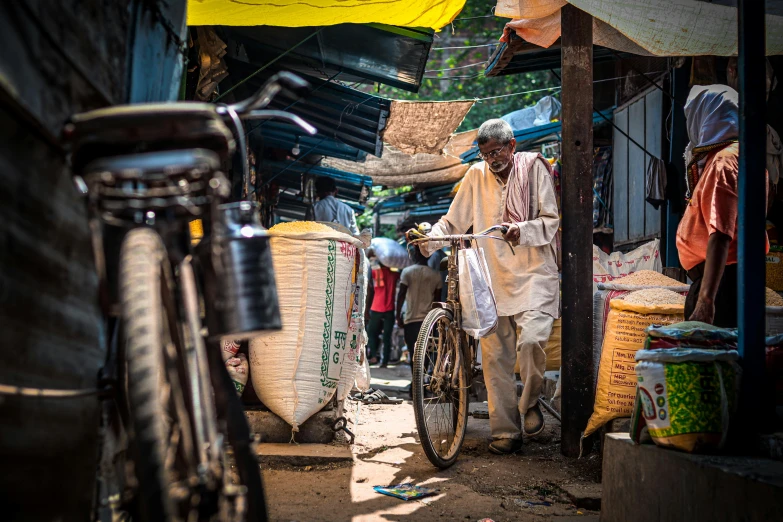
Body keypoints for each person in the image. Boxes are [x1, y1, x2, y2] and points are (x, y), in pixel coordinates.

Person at [417, 119, 559, 455]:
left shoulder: (534, 168)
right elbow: (452, 222)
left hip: (534, 274)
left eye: (496, 151)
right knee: (495, 359)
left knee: (533, 342)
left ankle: (529, 403)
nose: (491, 159)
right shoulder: (474, 176)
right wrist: (429, 238)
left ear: (512, 146)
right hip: (491, 278)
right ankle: (506, 432)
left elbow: (550, 221)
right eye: (485, 154)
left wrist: (521, 230)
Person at [676, 85, 770, 327]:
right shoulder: (748, 156)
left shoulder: (724, 161)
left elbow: (720, 233)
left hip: (720, 288)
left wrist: (706, 300)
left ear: (705, 118)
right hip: (732, 282)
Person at [396, 247, 443, 383]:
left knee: (413, 353)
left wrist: (398, 315)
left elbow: (401, 295)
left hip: (411, 319)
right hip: (428, 321)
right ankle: (420, 382)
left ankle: (415, 382)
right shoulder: (436, 275)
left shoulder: (407, 272)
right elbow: (437, 301)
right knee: (426, 353)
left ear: (415, 255)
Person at [366, 257, 400, 366]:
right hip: (389, 309)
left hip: (376, 307)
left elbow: (370, 289)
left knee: (371, 332)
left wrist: (366, 309)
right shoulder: (394, 275)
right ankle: (385, 361)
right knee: (387, 336)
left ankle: (374, 357)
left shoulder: (376, 272)